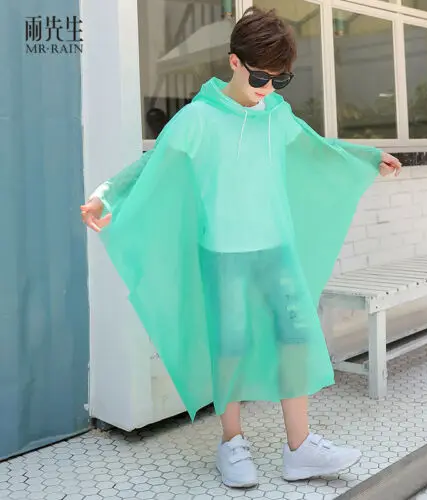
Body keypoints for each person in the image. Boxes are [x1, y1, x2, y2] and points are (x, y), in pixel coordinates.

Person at [81, 7, 401, 489]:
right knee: (229, 345)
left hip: (276, 247)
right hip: (223, 253)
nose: (268, 88)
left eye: (280, 79)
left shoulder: (277, 116)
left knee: (296, 337)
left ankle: (300, 447)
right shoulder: (198, 118)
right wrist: (105, 196)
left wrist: (368, 157)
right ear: (234, 62)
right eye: (259, 77)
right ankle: (231, 443)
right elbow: (152, 165)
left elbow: (317, 148)